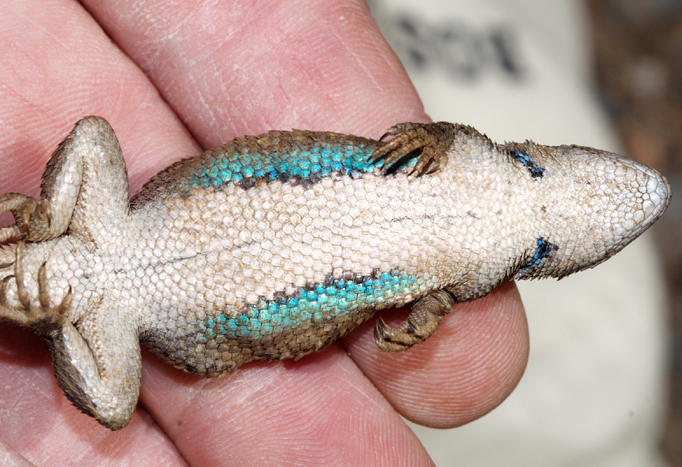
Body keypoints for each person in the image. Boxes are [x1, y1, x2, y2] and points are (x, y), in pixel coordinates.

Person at [0, 1, 528, 463]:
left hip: (103, 275)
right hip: (102, 263)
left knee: (116, 402)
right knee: (114, 403)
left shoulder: (440, 263)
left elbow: (94, 138)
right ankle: (54, 284)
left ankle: (54, 285)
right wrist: (59, 300)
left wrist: (60, 292)